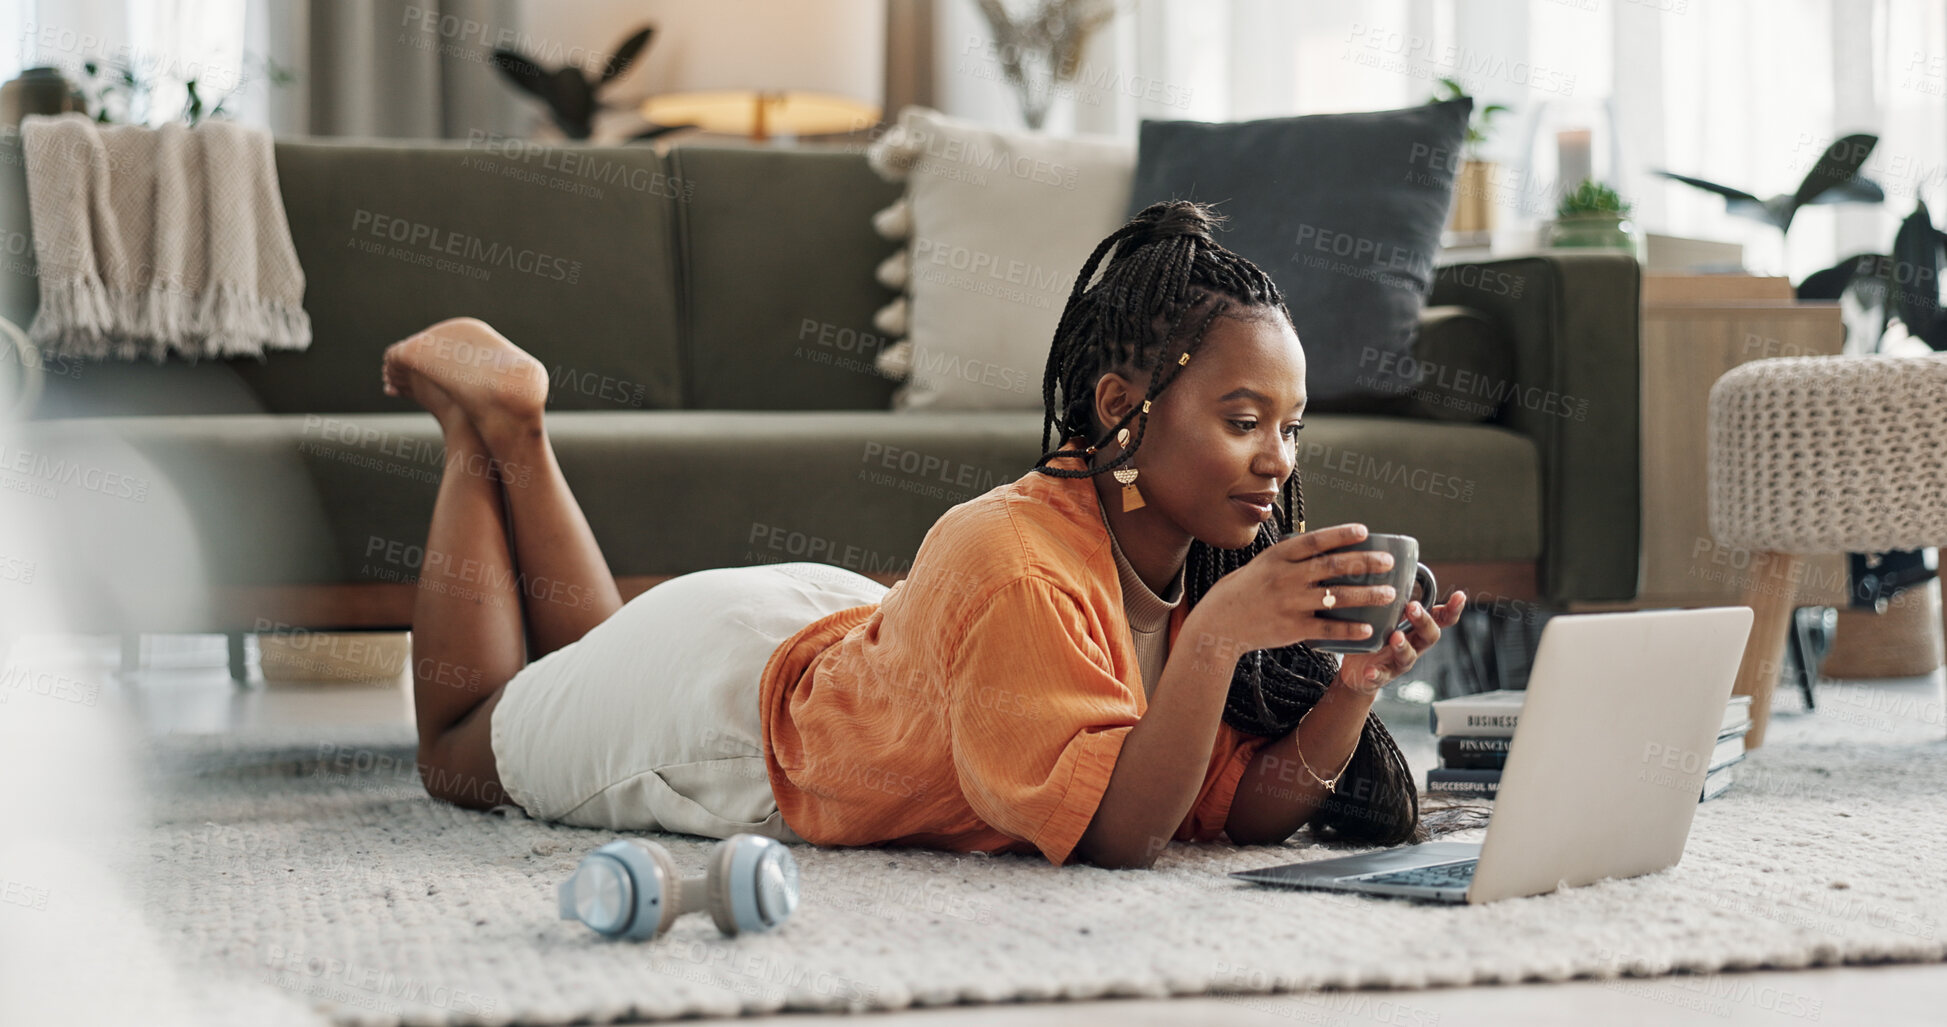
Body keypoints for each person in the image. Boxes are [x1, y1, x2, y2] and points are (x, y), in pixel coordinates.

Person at [386, 198, 1478, 870]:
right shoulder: (1017, 563)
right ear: (1118, 408)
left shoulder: (1190, 563)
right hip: (732, 725)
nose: (1277, 458)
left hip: (849, 640)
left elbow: (1240, 809)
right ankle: (487, 424)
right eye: (1242, 421)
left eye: (1289, 426)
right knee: (461, 746)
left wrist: (1351, 688)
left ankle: (518, 439)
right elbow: (1121, 838)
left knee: (584, 669)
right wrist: (1212, 641)